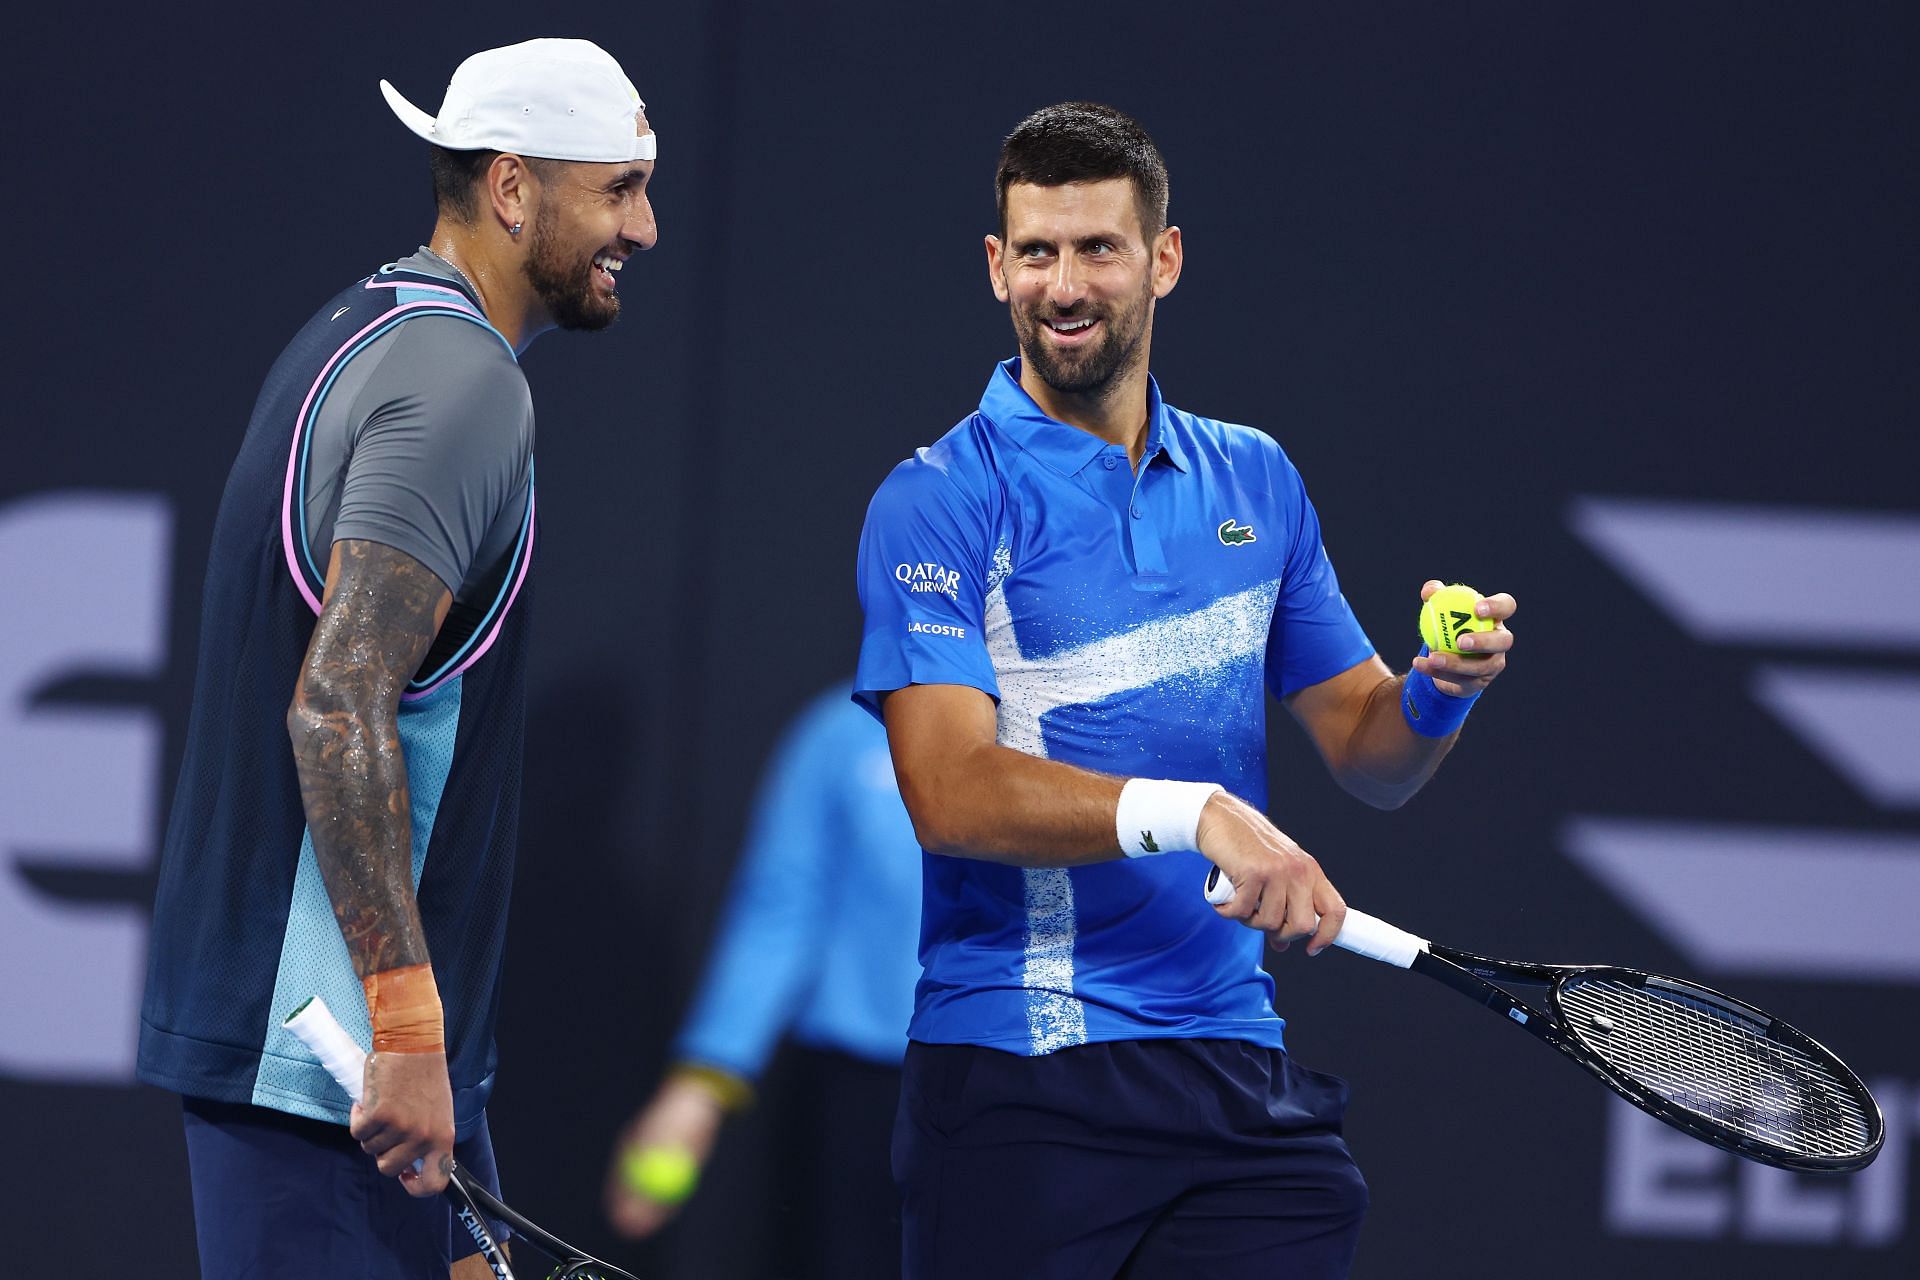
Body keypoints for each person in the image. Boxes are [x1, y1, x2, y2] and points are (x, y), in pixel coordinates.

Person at [852, 102, 1518, 1280]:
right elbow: (949, 790)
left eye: (1099, 248)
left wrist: (1434, 695)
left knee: (1314, 1199)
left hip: (1228, 1065)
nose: (1066, 284)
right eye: (1039, 252)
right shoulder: (941, 497)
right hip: (1023, 1072)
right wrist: (1193, 810)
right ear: (997, 267)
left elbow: (1369, 754)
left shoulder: (1255, 477)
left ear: (1162, 258)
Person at [136, 39, 658, 1280]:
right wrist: (411, 1028)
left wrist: (437, 1059)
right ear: (514, 187)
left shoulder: (362, 322)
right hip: (340, 1074)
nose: (644, 226)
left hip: (361, 1061)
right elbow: (335, 708)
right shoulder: (464, 383)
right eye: (619, 189)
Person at [603, 682, 921, 1277]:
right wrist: (697, 1087)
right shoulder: (840, 733)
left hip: (1027, 1088)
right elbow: (779, 910)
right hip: (858, 1096)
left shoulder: (1083, 728)